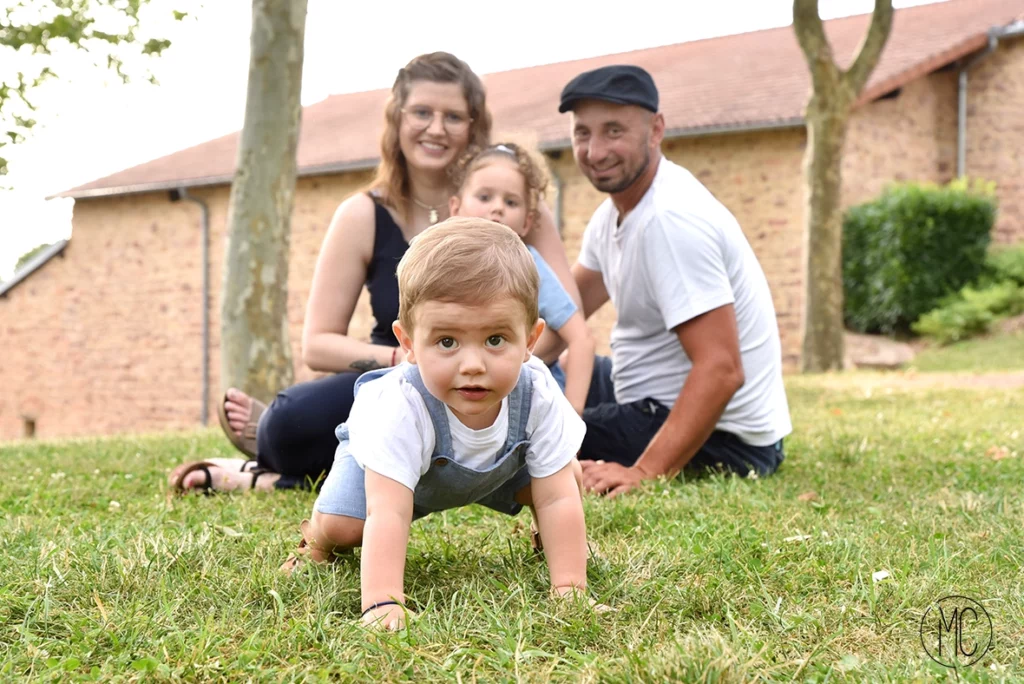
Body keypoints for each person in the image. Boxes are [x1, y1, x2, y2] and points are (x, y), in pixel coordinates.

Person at [167, 52, 582, 493]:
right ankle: (280, 464)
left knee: (574, 426)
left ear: (474, 127)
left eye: (454, 116)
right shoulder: (362, 214)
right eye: (422, 112)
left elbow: (567, 321)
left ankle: (267, 479)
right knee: (288, 423)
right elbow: (318, 345)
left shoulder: (513, 206)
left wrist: (504, 366)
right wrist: (408, 358)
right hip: (396, 370)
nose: (436, 128)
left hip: (494, 379)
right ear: (396, 119)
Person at [281, 218, 598, 630]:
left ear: (530, 339)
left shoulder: (536, 389)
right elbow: (389, 512)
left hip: (492, 471)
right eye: (447, 342)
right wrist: (382, 605)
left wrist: (570, 592)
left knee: (564, 475)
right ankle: (317, 540)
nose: (472, 365)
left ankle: (553, 545)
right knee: (346, 527)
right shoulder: (401, 407)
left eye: (496, 339)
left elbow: (557, 497)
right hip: (392, 473)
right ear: (408, 342)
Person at [544, 65, 793, 498]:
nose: (595, 150)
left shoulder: (670, 219)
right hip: (647, 393)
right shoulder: (613, 217)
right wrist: (503, 370)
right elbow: (565, 312)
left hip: (730, 442)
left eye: (614, 131)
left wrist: (644, 471)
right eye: (582, 133)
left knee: (536, 430)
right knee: (546, 383)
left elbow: (721, 369)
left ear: (655, 129)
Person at [448, 141, 595, 414]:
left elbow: (582, 339)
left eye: (511, 202)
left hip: (528, 405)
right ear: (455, 208)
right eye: (484, 197)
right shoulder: (440, 265)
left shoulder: (529, 268)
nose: (497, 208)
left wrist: (573, 418)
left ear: (527, 222)